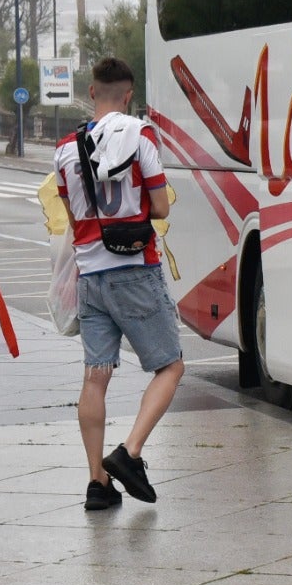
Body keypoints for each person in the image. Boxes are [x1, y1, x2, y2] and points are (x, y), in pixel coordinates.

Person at [53, 57, 184, 511]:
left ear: (91, 92)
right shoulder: (141, 136)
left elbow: (70, 217)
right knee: (170, 367)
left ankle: (97, 484)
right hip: (135, 271)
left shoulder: (66, 149)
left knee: (96, 376)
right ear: (128, 95)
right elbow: (161, 208)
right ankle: (129, 454)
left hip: (90, 276)